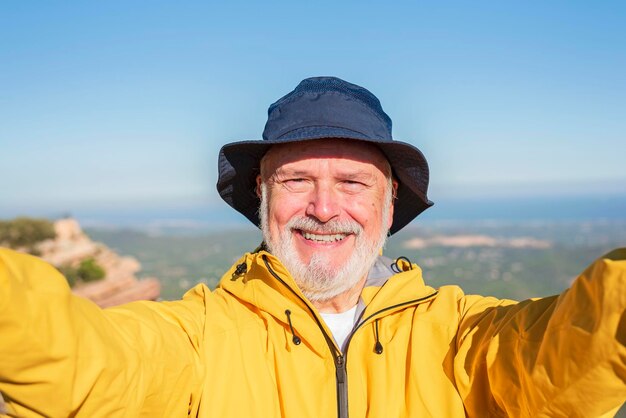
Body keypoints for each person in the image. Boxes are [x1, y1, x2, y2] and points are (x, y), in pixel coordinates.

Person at [0, 77, 625, 418]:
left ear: (387, 207)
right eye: (297, 180)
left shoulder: (463, 337)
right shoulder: (198, 339)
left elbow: (574, 354)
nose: (324, 208)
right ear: (263, 198)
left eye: (353, 183)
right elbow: (83, 359)